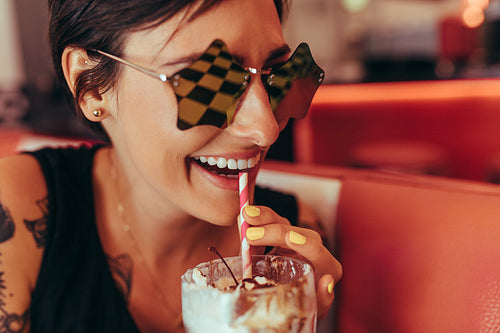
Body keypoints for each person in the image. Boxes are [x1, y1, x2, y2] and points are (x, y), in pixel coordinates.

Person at [0, 0, 342, 331]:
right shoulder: (17, 215)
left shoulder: (294, 252)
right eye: (210, 81)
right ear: (90, 86)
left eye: (276, 75)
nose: (265, 128)